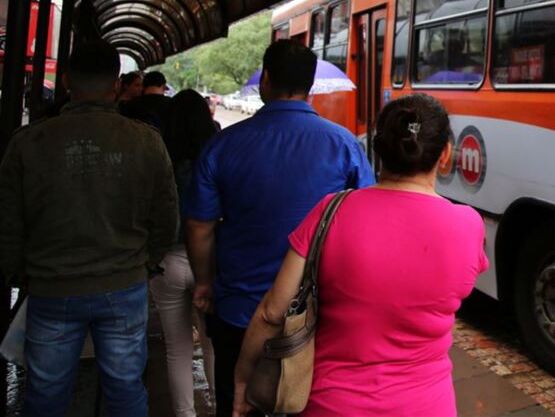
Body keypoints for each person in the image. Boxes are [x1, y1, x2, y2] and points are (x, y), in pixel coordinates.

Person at [231, 94, 488, 416]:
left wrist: (242, 380)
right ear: (446, 155)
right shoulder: (468, 225)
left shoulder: (331, 211)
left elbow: (272, 313)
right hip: (427, 406)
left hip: (332, 405)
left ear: (377, 148)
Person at [186, 40, 375, 416]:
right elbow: (365, 221)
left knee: (237, 402)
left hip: (239, 310)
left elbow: (200, 227)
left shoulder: (223, 146)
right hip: (316, 314)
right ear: (309, 84)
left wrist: (205, 282)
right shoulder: (343, 145)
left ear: (266, 79)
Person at [0, 41, 178, 416]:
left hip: (52, 286)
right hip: (124, 284)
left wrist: (22, 274)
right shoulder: (146, 141)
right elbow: (166, 218)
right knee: (126, 388)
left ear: (66, 81)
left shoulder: (28, 142)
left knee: (46, 392)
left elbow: (9, 223)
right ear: (116, 85)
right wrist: (145, 263)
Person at [152, 89, 219, 416]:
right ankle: (220, 406)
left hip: (168, 260)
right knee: (211, 343)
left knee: (176, 349)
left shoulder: (159, 156)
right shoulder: (217, 156)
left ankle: (185, 414)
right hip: (209, 258)